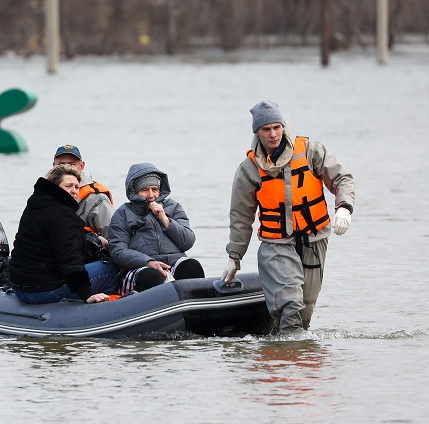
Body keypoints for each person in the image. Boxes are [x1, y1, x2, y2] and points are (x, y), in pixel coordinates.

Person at [221, 100, 355, 334]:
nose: (273, 134)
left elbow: (342, 178)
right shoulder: (249, 169)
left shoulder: (310, 150)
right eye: (266, 129)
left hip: (314, 238)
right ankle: (285, 355)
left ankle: (287, 357)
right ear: (257, 132)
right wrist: (234, 255)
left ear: (283, 126)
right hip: (276, 244)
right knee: (291, 302)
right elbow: (241, 217)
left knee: (305, 311)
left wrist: (344, 207)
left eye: (276, 127)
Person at [9, 164, 119, 304]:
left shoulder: (35, 205)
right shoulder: (63, 215)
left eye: (77, 187)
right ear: (55, 187)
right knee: (111, 268)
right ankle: (104, 309)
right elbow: (70, 260)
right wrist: (86, 294)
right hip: (43, 291)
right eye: (68, 186)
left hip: (20, 288)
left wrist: (94, 238)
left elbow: (53, 235)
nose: (74, 191)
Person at [107, 163, 205, 294]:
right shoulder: (122, 213)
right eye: (144, 190)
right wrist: (148, 262)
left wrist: (164, 219)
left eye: (154, 189)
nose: (151, 195)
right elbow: (118, 251)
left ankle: (197, 311)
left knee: (192, 266)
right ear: (134, 192)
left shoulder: (173, 207)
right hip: (141, 268)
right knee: (152, 276)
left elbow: (187, 241)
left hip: (173, 263)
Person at [52, 144, 115, 239]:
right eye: (60, 165)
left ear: (81, 166)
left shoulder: (96, 198)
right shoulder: (45, 194)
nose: (66, 169)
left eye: (71, 165)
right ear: (53, 166)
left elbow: (114, 237)